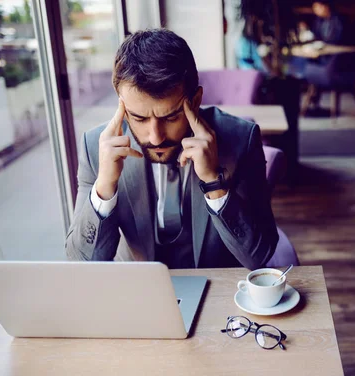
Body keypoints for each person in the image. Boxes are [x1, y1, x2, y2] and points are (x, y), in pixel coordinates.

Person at [66, 29, 279, 270]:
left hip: (217, 293)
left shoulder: (241, 139)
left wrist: (214, 183)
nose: (155, 137)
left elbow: (259, 257)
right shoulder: (96, 148)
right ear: (122, 105)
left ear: (196, 101)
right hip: (139, 294)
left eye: (171, 117)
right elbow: (82, 262)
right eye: (139, 118)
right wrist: (105, 185)